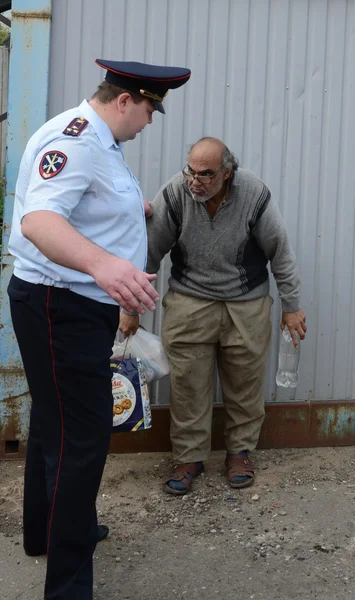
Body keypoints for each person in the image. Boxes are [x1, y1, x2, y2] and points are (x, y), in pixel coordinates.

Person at [7, 58, 191, 599]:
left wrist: (132, 212)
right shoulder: (80, 140)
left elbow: (84, 205)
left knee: (52, 421)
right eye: (150, 109)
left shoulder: (102, 143)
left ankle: (48, 531)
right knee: (80, 441)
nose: (151, 121)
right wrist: (105, 265)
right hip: (61, 305)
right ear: (126, 100)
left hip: (65, 304)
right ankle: (68, 586)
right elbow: (39, 220)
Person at [120, 137, 306, 496]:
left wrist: (292, 306)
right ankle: (189, 458)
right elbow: (149, 250)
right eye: (190, 170)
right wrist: (130, 308)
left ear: (227, 173)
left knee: (245, 384)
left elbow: (280, 252)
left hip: (246, 303)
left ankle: (239, 453)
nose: (195, 180)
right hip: (190, 302)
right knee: (188, 385)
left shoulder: (254, 194)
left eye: (205, 174)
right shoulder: (175, 193)